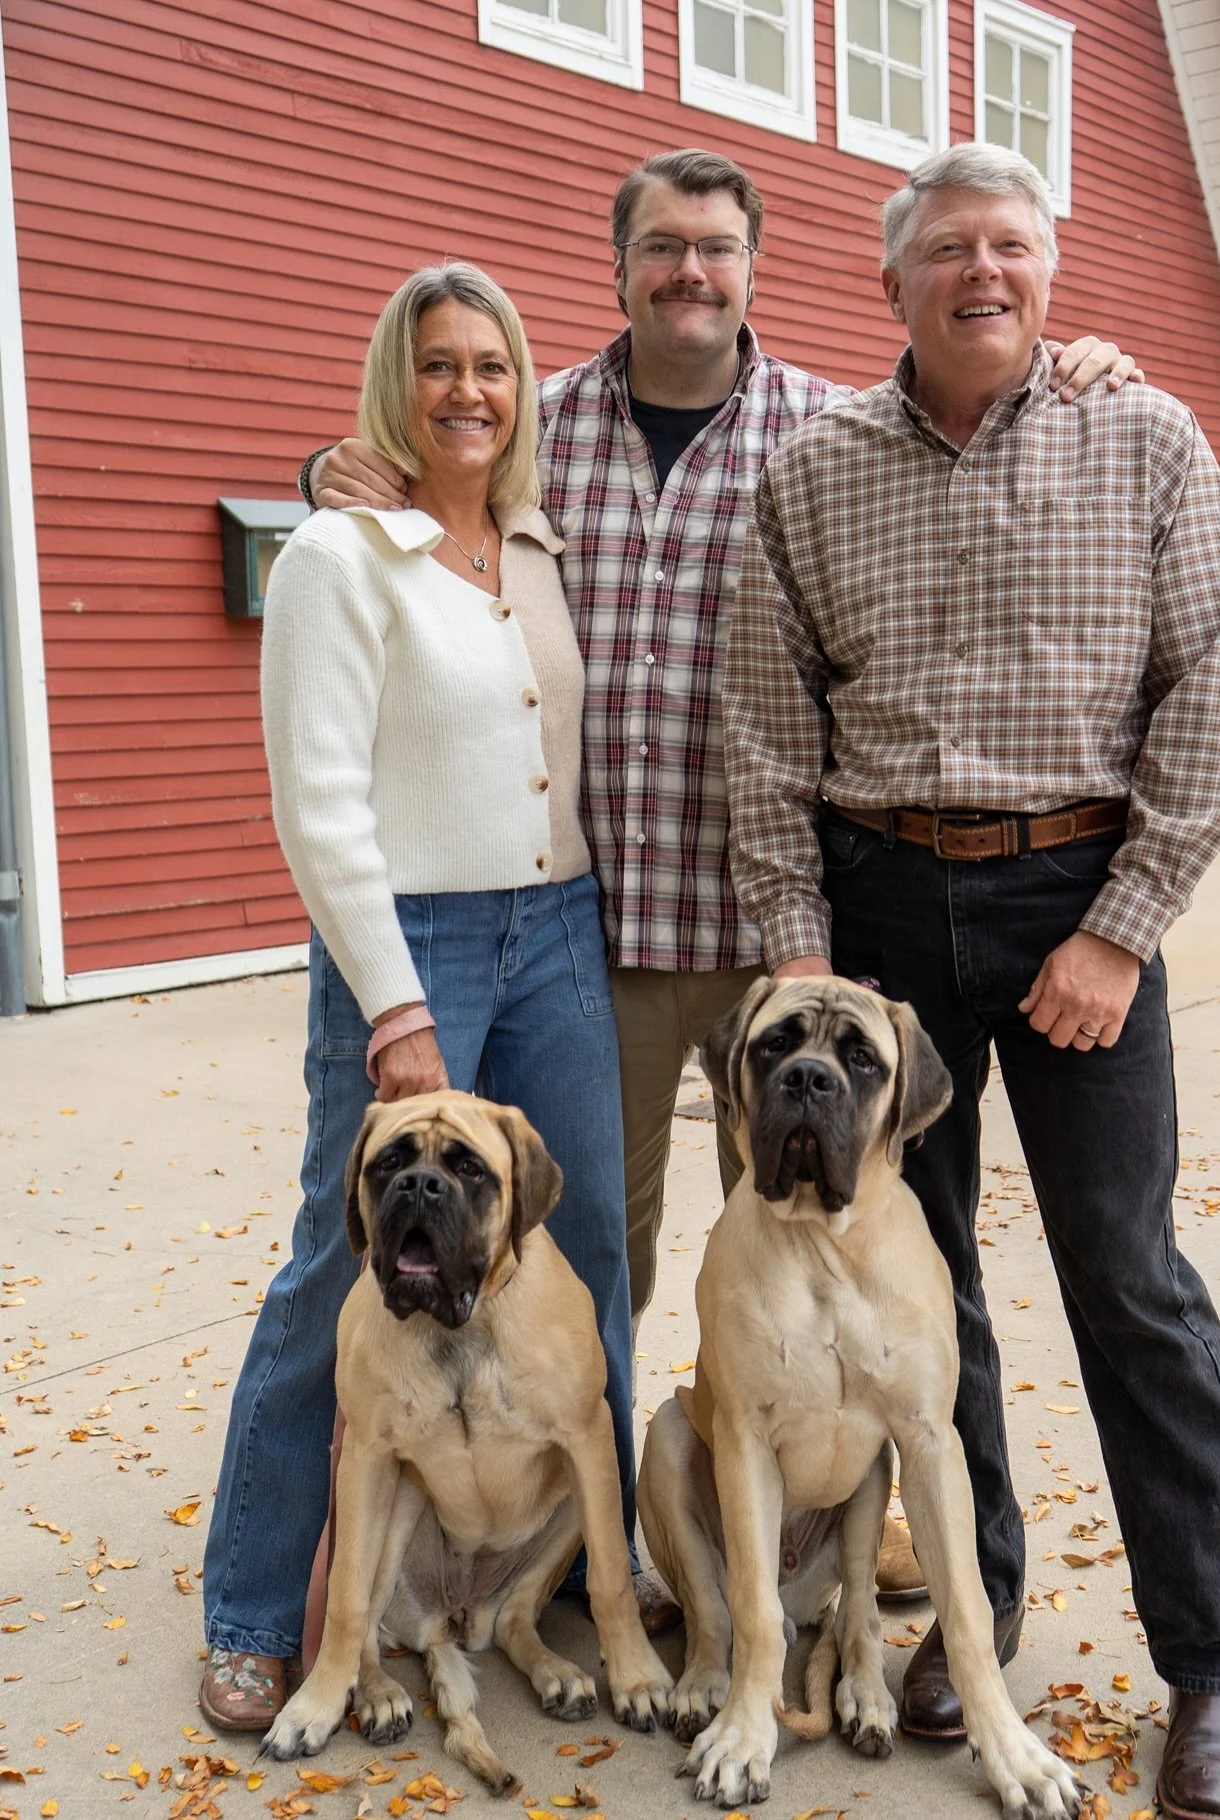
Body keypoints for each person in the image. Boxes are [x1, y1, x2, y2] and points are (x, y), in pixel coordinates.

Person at [308, 149, 1139, 1339]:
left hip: (780, 942)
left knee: (805, 1265)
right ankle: (610, 1516)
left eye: (715, 248)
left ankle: (790, 1526)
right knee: (592, 1253)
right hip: (601, 945)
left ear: (755, 269)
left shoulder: (837, 436)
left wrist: (1065, 363)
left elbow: (966, 398)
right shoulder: (532, 437)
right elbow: (406, 474)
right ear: (620, 269)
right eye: (660, 246)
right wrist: (325, 472)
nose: (688, 271)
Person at [722, 142, 1220, 1820]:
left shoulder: (1148, 438)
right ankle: (979, 1612)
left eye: (1010, 247)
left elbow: (1210, 689)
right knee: (925, 1284)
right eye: (947, 249)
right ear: (892, 285)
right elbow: (763, 732)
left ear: (1049, 267)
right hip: (880, 919)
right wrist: (801, 955)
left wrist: (1123, 926)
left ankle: (1213, 1671)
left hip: (1077, 891)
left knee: (1130, 1279)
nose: (982, 272)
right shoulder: (812, 472)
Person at [200, 263, 649, 1732]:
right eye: (440, 364)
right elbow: (320, 802)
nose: (470, 390)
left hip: (560, 921)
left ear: (525, 390)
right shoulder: (342, 554)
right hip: (412, 942)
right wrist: (394, 1007)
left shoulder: (534, 542)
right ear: (396, 381)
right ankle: (259, 1614)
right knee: (343, 1266)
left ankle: (593, 1576)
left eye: (495, 367)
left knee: (577, 1245)